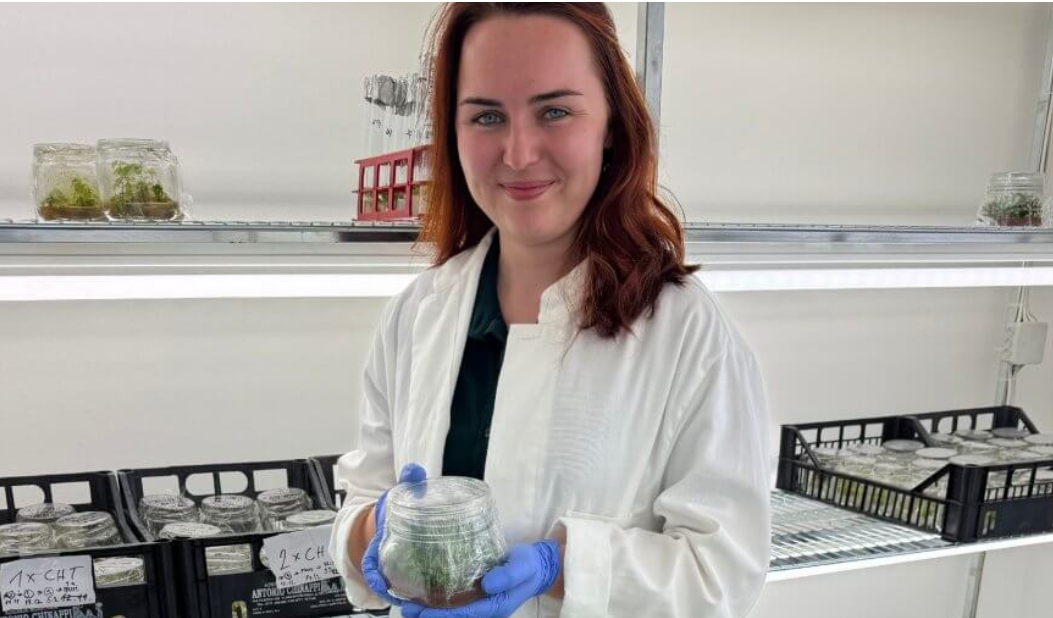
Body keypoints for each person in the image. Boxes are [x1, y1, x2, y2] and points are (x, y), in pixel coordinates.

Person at [329, 4, 771, 617]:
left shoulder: (686, 334)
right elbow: (362, 496)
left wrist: (562, 568)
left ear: (612, 123)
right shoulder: (415, 316)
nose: (517, 153)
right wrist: (372, 529)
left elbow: (721, 574)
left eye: (555, 111)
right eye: (486, 116)